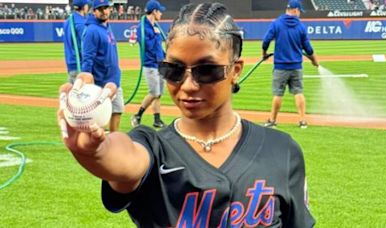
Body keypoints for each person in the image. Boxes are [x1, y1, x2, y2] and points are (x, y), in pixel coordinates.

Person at [58, 2, 315, 227]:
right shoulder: (153, 147)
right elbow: (123, 156)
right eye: (174, 69)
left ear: (235, 70)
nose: (188, 85)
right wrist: (94, 151)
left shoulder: (283, 151)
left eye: (207, 70)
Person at [262, 0, 319, 129]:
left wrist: (264, 53)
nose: (299, 14)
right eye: (299, 11)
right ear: (294, 10)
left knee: (278, 94)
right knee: (298, 92)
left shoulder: (276, 24)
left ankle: (272, 120)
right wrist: (314, 60)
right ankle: (303, 121)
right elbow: (308, 49)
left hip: (280, 67)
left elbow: (266, 41)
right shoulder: (300, 27)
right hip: (296, 66)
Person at [81, 0, 124, 132]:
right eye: (100, 9)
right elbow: (87, 59)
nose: (104, 11)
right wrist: (87, 85)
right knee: (98, 117)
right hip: (100, 82)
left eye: (106, 8)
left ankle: (113, 140)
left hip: (114, 80)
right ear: (94, 12)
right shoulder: (91, 31)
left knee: (117, 110)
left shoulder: (107, 26)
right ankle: (95, 146)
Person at [131, 0, 166, 129]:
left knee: (159, 93)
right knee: (154, 92)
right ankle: (137, 115)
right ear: (154, 11)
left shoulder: (154, 26)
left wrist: (165, 56)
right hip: (150, 64)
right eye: (159, 11)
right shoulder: (142, 27)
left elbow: (157, 47)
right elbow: (149, 47)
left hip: (160, 63)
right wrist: (157, 36)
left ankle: (157, 120)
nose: (161, 14)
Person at [62, 0, 90, 83]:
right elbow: (85, 45)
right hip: (80, 64)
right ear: (84, 7)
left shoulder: (68, 21)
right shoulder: (81, 23)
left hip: (70, 62)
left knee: (73, 93)